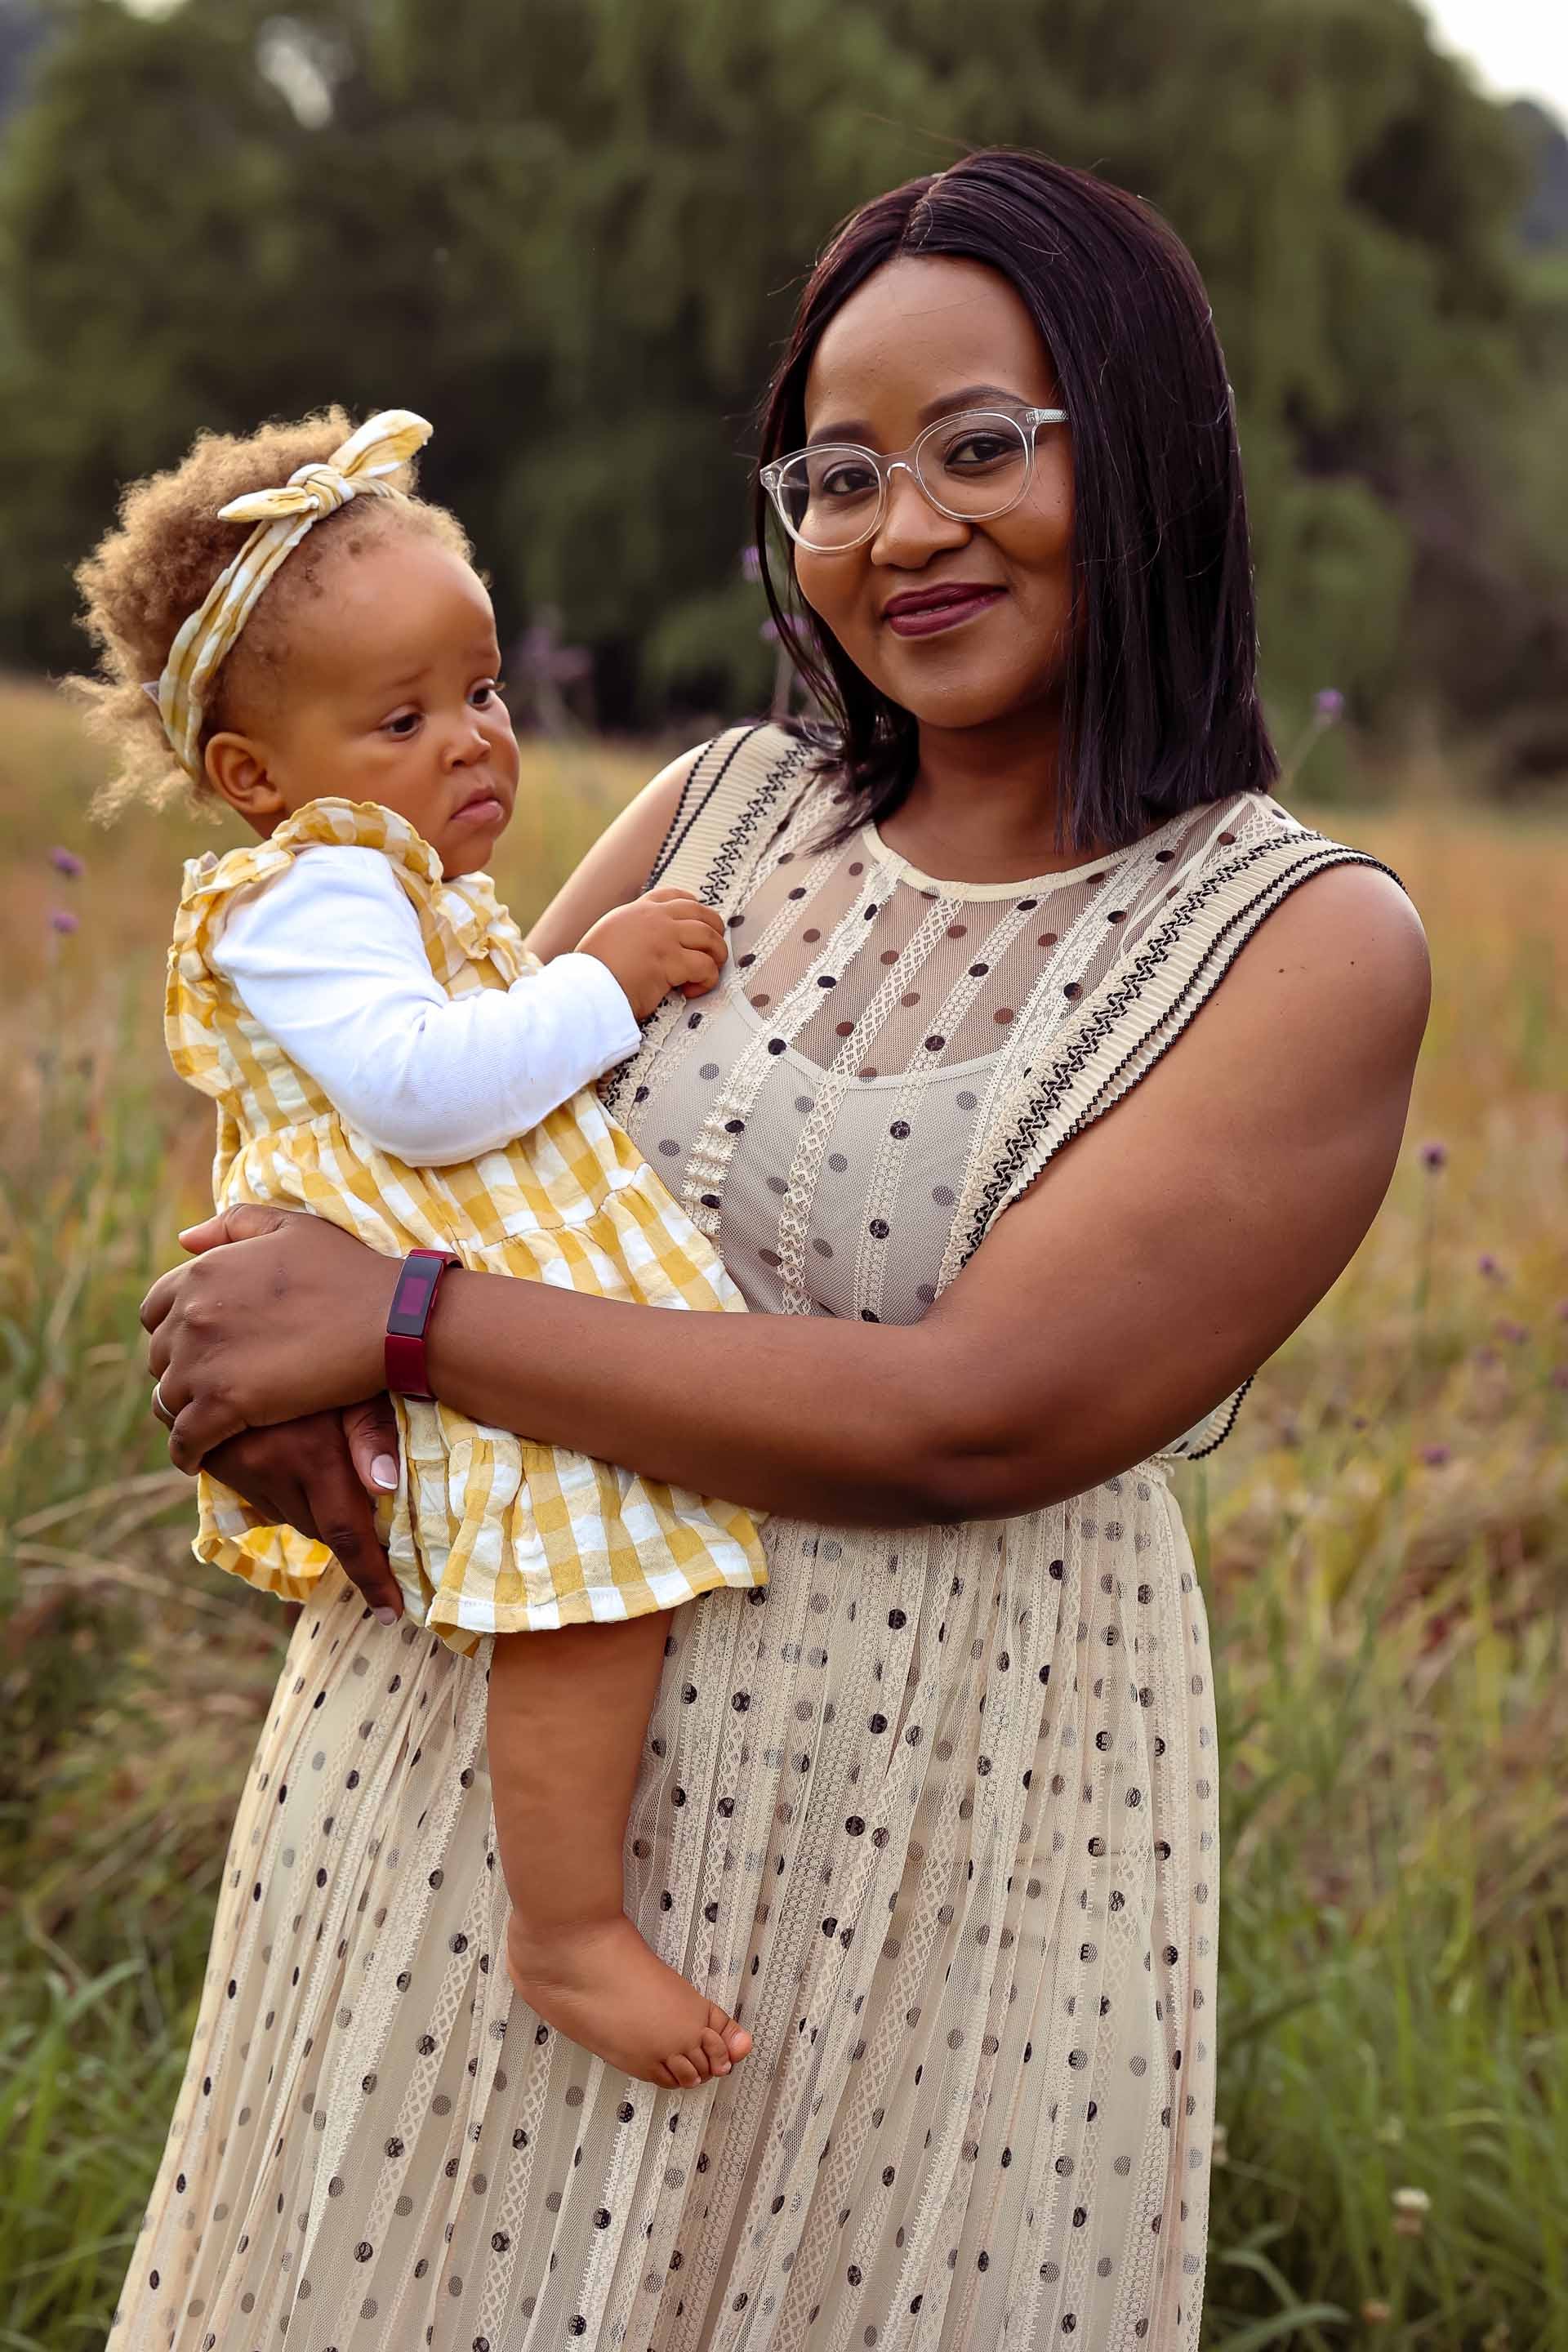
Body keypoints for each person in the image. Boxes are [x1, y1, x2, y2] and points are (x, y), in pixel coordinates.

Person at [120, 152, 1428, 2351]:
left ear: (1150, 449)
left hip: (929, 1844)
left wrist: (405, 1330)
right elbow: (407, 1157)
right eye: (837, 475)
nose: (902, 529)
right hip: (467, 1801)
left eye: (981, 447)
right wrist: (251, 1353)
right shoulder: (719, 810)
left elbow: (968, 1421)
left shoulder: (1296, 941)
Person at [73, 405, 763, 2089]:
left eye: (484, 693)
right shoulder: (315, 895)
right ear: (254, 778)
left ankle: (565, 1911)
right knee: (584, 1601)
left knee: (595, 1591)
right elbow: (421, 1092)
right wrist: (602, 982)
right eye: (403, 718)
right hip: (416, 1329)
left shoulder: (393, 885)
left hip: (438, 1310)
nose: (473, 744)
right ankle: (568, 1927)